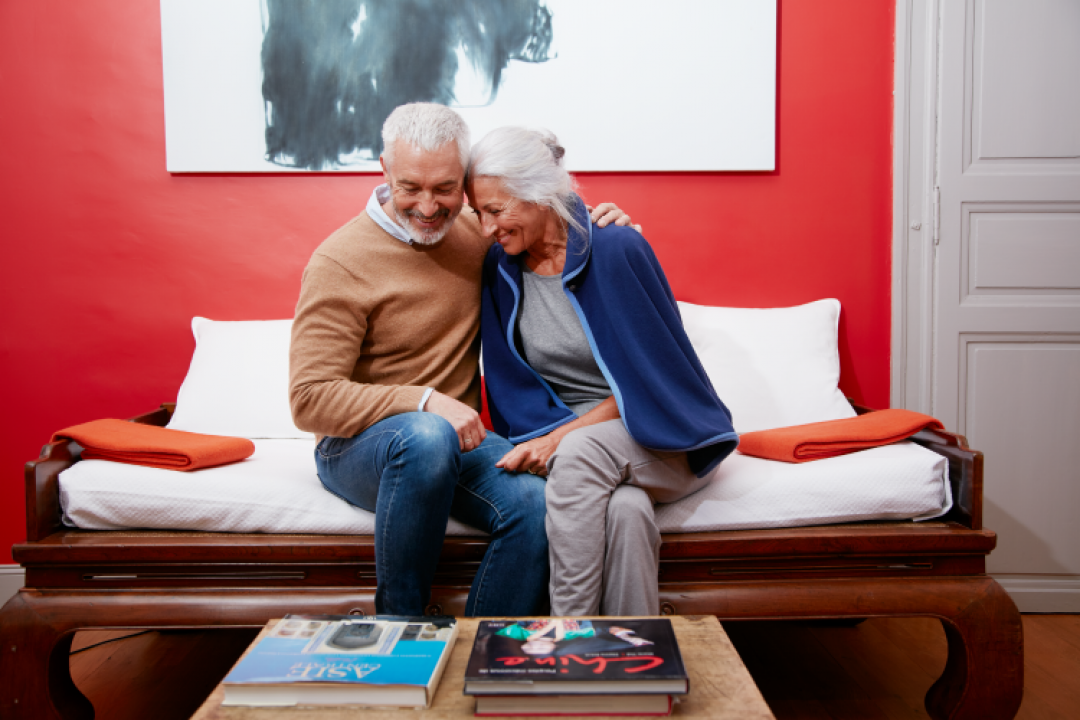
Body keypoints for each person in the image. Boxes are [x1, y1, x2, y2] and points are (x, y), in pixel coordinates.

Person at [288, 103, 634, 617]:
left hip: (456, 444)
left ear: (465, 180)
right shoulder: (340, 260)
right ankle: (399, 628)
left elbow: (546, 223)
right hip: (360, 448)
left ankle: (480, 649)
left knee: (541, 505)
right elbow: (309, 399)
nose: (428, 208)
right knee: (426, 435)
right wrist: (426, 402)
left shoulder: (479, 232)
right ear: (383, 169)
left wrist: (607, 231)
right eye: (410, 187)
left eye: (446, 189)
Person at [470, 127, 739, 616]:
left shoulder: (617, 249)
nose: (487, 227)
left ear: (539, 194)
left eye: (496, 210)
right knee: (627, 511)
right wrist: (555, 437)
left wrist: (564, 439)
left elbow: (654, 380)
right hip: (586, 449)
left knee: (577, 456)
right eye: (478, 212)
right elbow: (512, 385)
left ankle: (566, 639)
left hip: (661, 435)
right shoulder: (502, 267)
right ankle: (631, 663)